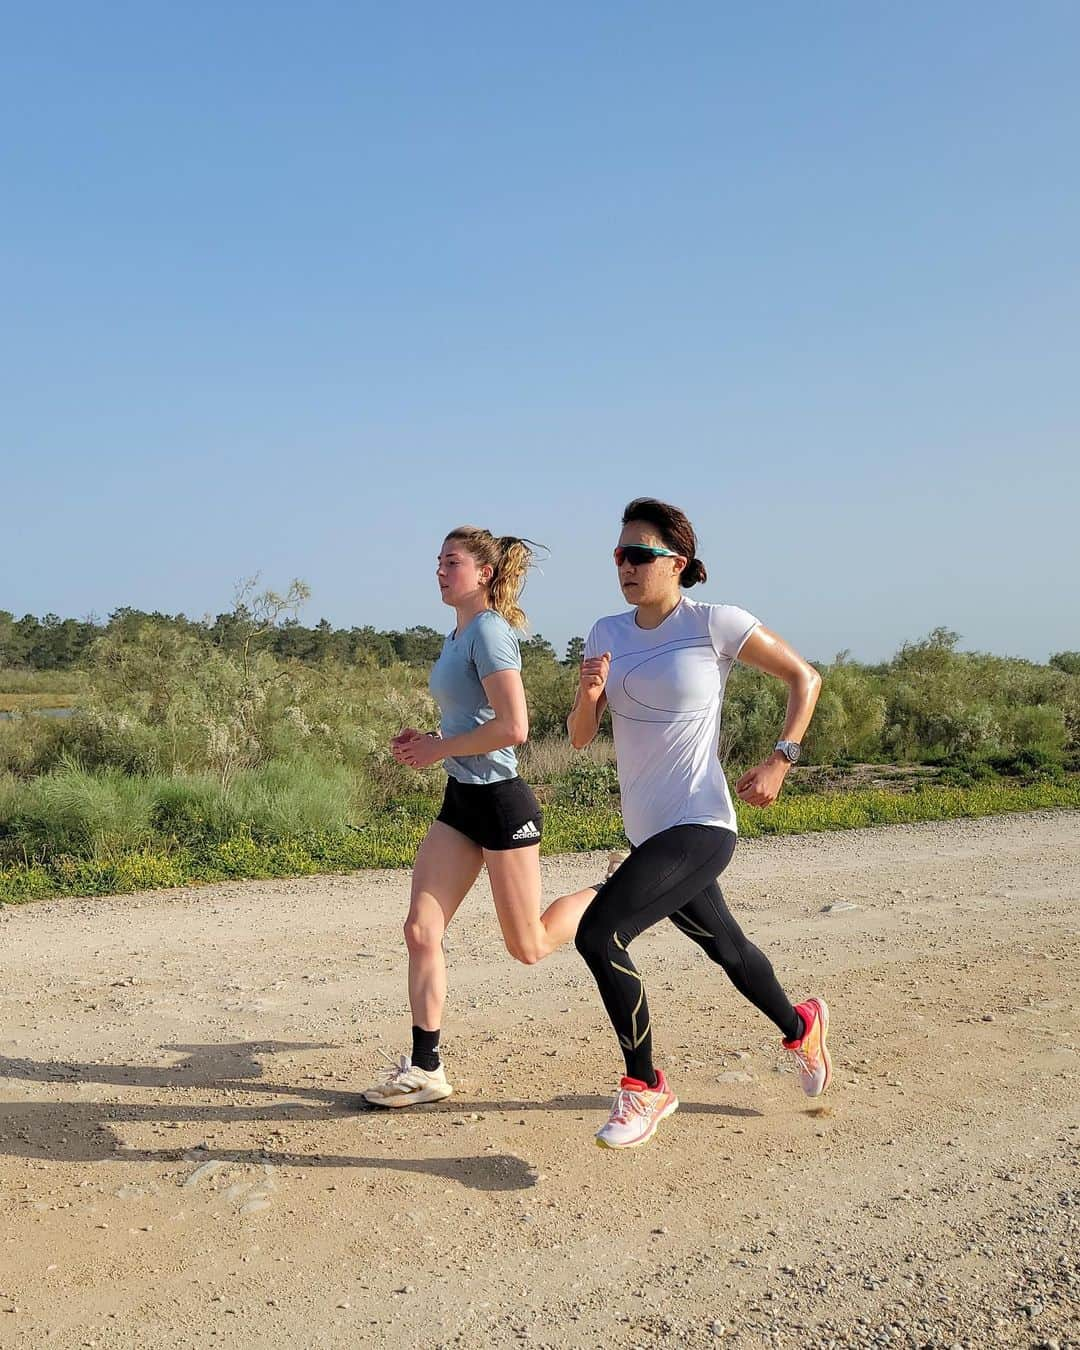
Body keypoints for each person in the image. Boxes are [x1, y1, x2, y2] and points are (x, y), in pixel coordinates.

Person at [567, 497, 831, 1149]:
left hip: (701, 824)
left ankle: (644, 1086)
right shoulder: (605, 633)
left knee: (599, 936)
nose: (625, 565)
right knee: (729, 949)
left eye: (639, 554)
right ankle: (802, 1026)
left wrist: (781, 759)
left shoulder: (716, 624)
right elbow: (577, 738)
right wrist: (588, 695)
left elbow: (806, 678)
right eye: (618, 554)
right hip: (648, 834)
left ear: (677, 562)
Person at [363, 526, 600, 1108]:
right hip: (461, 801)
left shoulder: (491, 632)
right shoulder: (458, 634)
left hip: (500, 802)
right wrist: (430, 740)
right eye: (438, 561)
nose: (440, 571)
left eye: (452, 562)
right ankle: (427, 1068)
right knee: (420, 931)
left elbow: (514, 728)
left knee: (530, 945)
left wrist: (439, 749)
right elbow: (473, 719)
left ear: (484, 573)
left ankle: (613, 888)